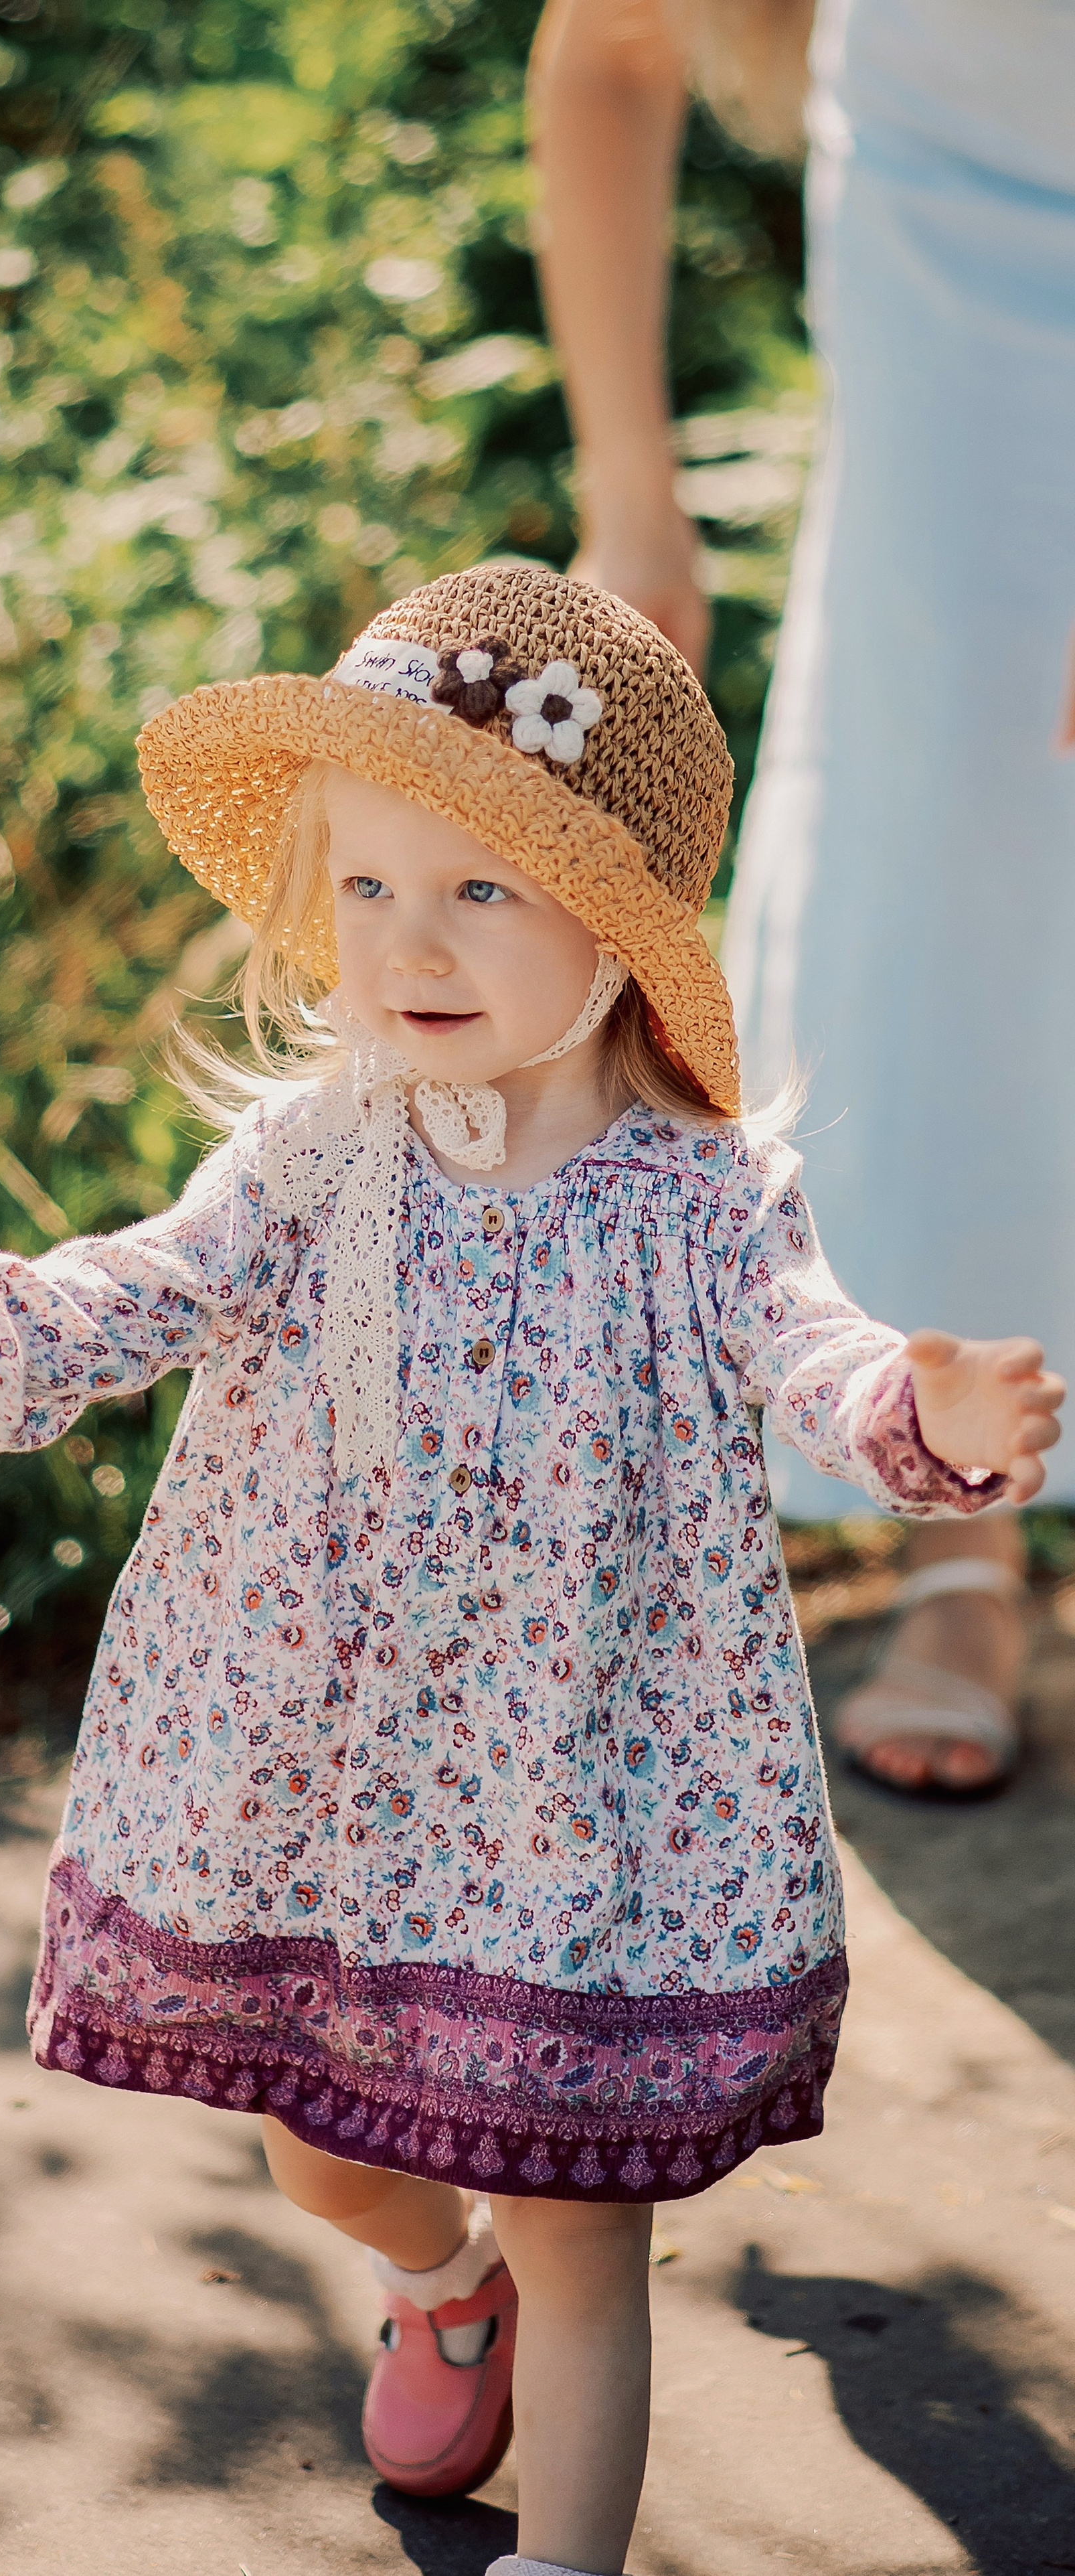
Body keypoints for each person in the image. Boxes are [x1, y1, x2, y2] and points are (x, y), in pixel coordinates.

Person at [0, 564, 1062, 2576]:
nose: (408, 942)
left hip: (589, 1801)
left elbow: (820, 1359)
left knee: (585, 2227)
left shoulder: (700, 1198)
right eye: (366, 888)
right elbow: (114, 1300)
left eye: (481, 889)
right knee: (327, 2160)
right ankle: (442, 2289)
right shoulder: (311, 1159)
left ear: (615, 917)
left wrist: (929, 1411)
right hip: (333, 1792)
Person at [529, 0, 1075, 1797]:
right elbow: (613, 54)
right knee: (952, 869)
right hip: (947, 291)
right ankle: (964, 1535)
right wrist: (634, 504)